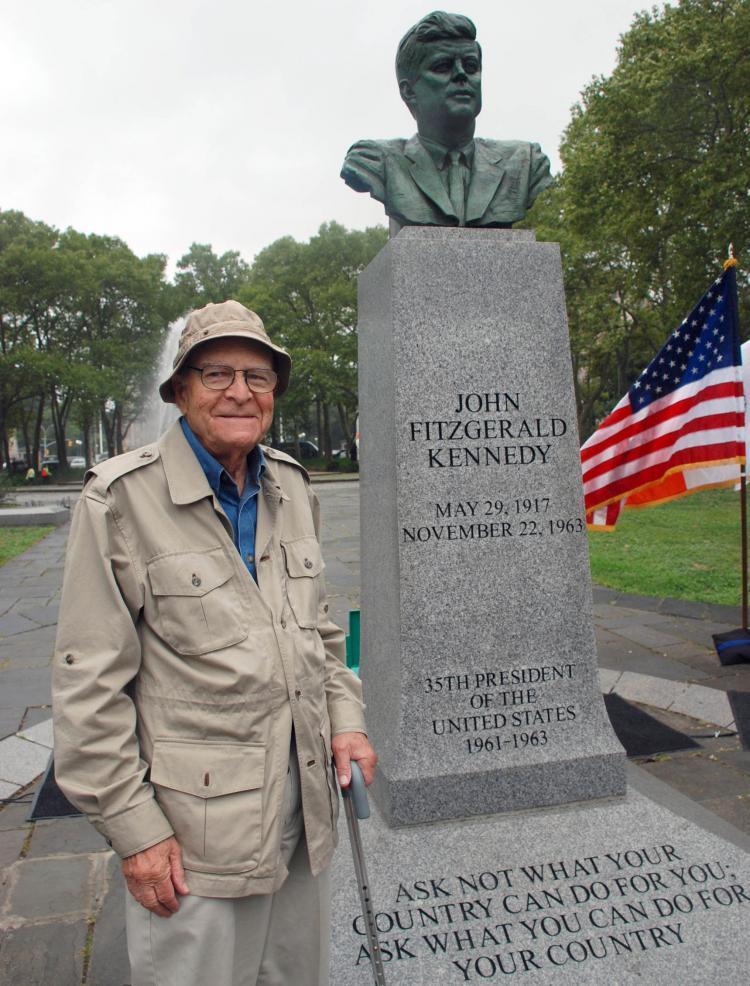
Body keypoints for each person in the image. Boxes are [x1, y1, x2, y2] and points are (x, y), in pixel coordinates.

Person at [53, 300, 377, 986]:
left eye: (258, 377)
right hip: (195, 843)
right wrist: (135, 830)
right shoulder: (119, 499)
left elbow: (317, 630)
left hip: (305, 816)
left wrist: (346, 724)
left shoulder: (290, 485)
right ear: (180, 390)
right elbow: (89, 683)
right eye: (217, 373)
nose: (240, 391)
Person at [341, 10, 552, 229]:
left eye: (471, 66)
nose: (462, 74)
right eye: (442, 66)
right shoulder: (375, 161)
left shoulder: (525, 162)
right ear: (408, 91)